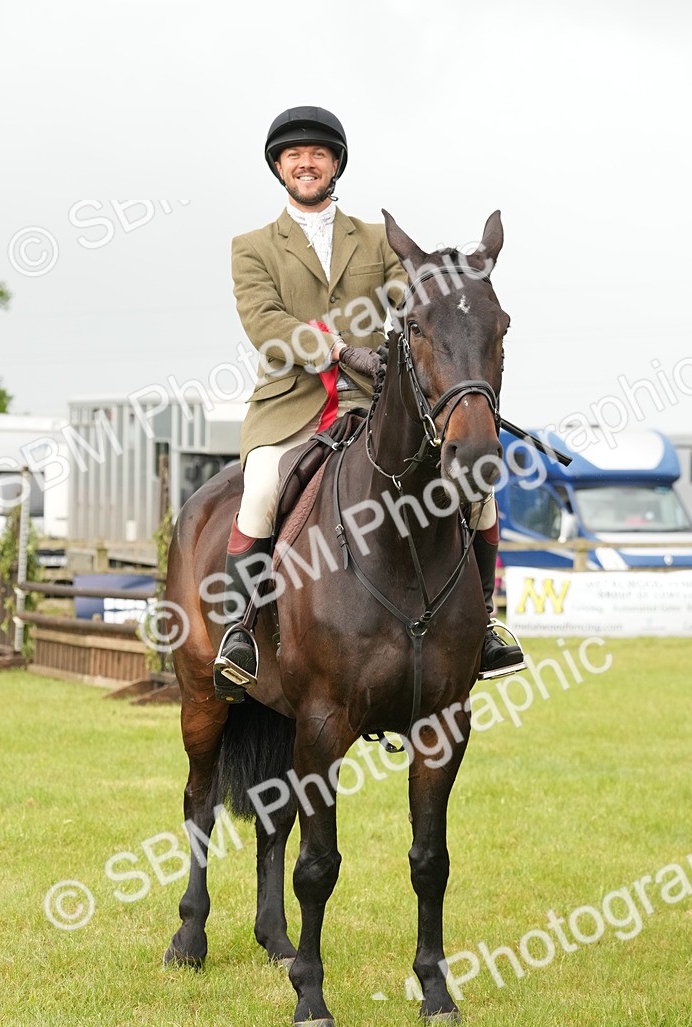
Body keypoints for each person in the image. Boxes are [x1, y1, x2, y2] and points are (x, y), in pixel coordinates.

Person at [213, 105, 524, 701]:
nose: (307, 163)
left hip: (371, 400)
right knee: (258, 492)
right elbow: (265, 324)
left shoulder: (378, 240)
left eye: (318, 154)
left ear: (335, 165)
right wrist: (336, 349)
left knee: (476, 492)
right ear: (280, 167)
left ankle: (483, 629)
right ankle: (240, 631)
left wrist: (458, 302)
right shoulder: (251, 247)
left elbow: (419, 299)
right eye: (294, 156)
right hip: (289, 408)